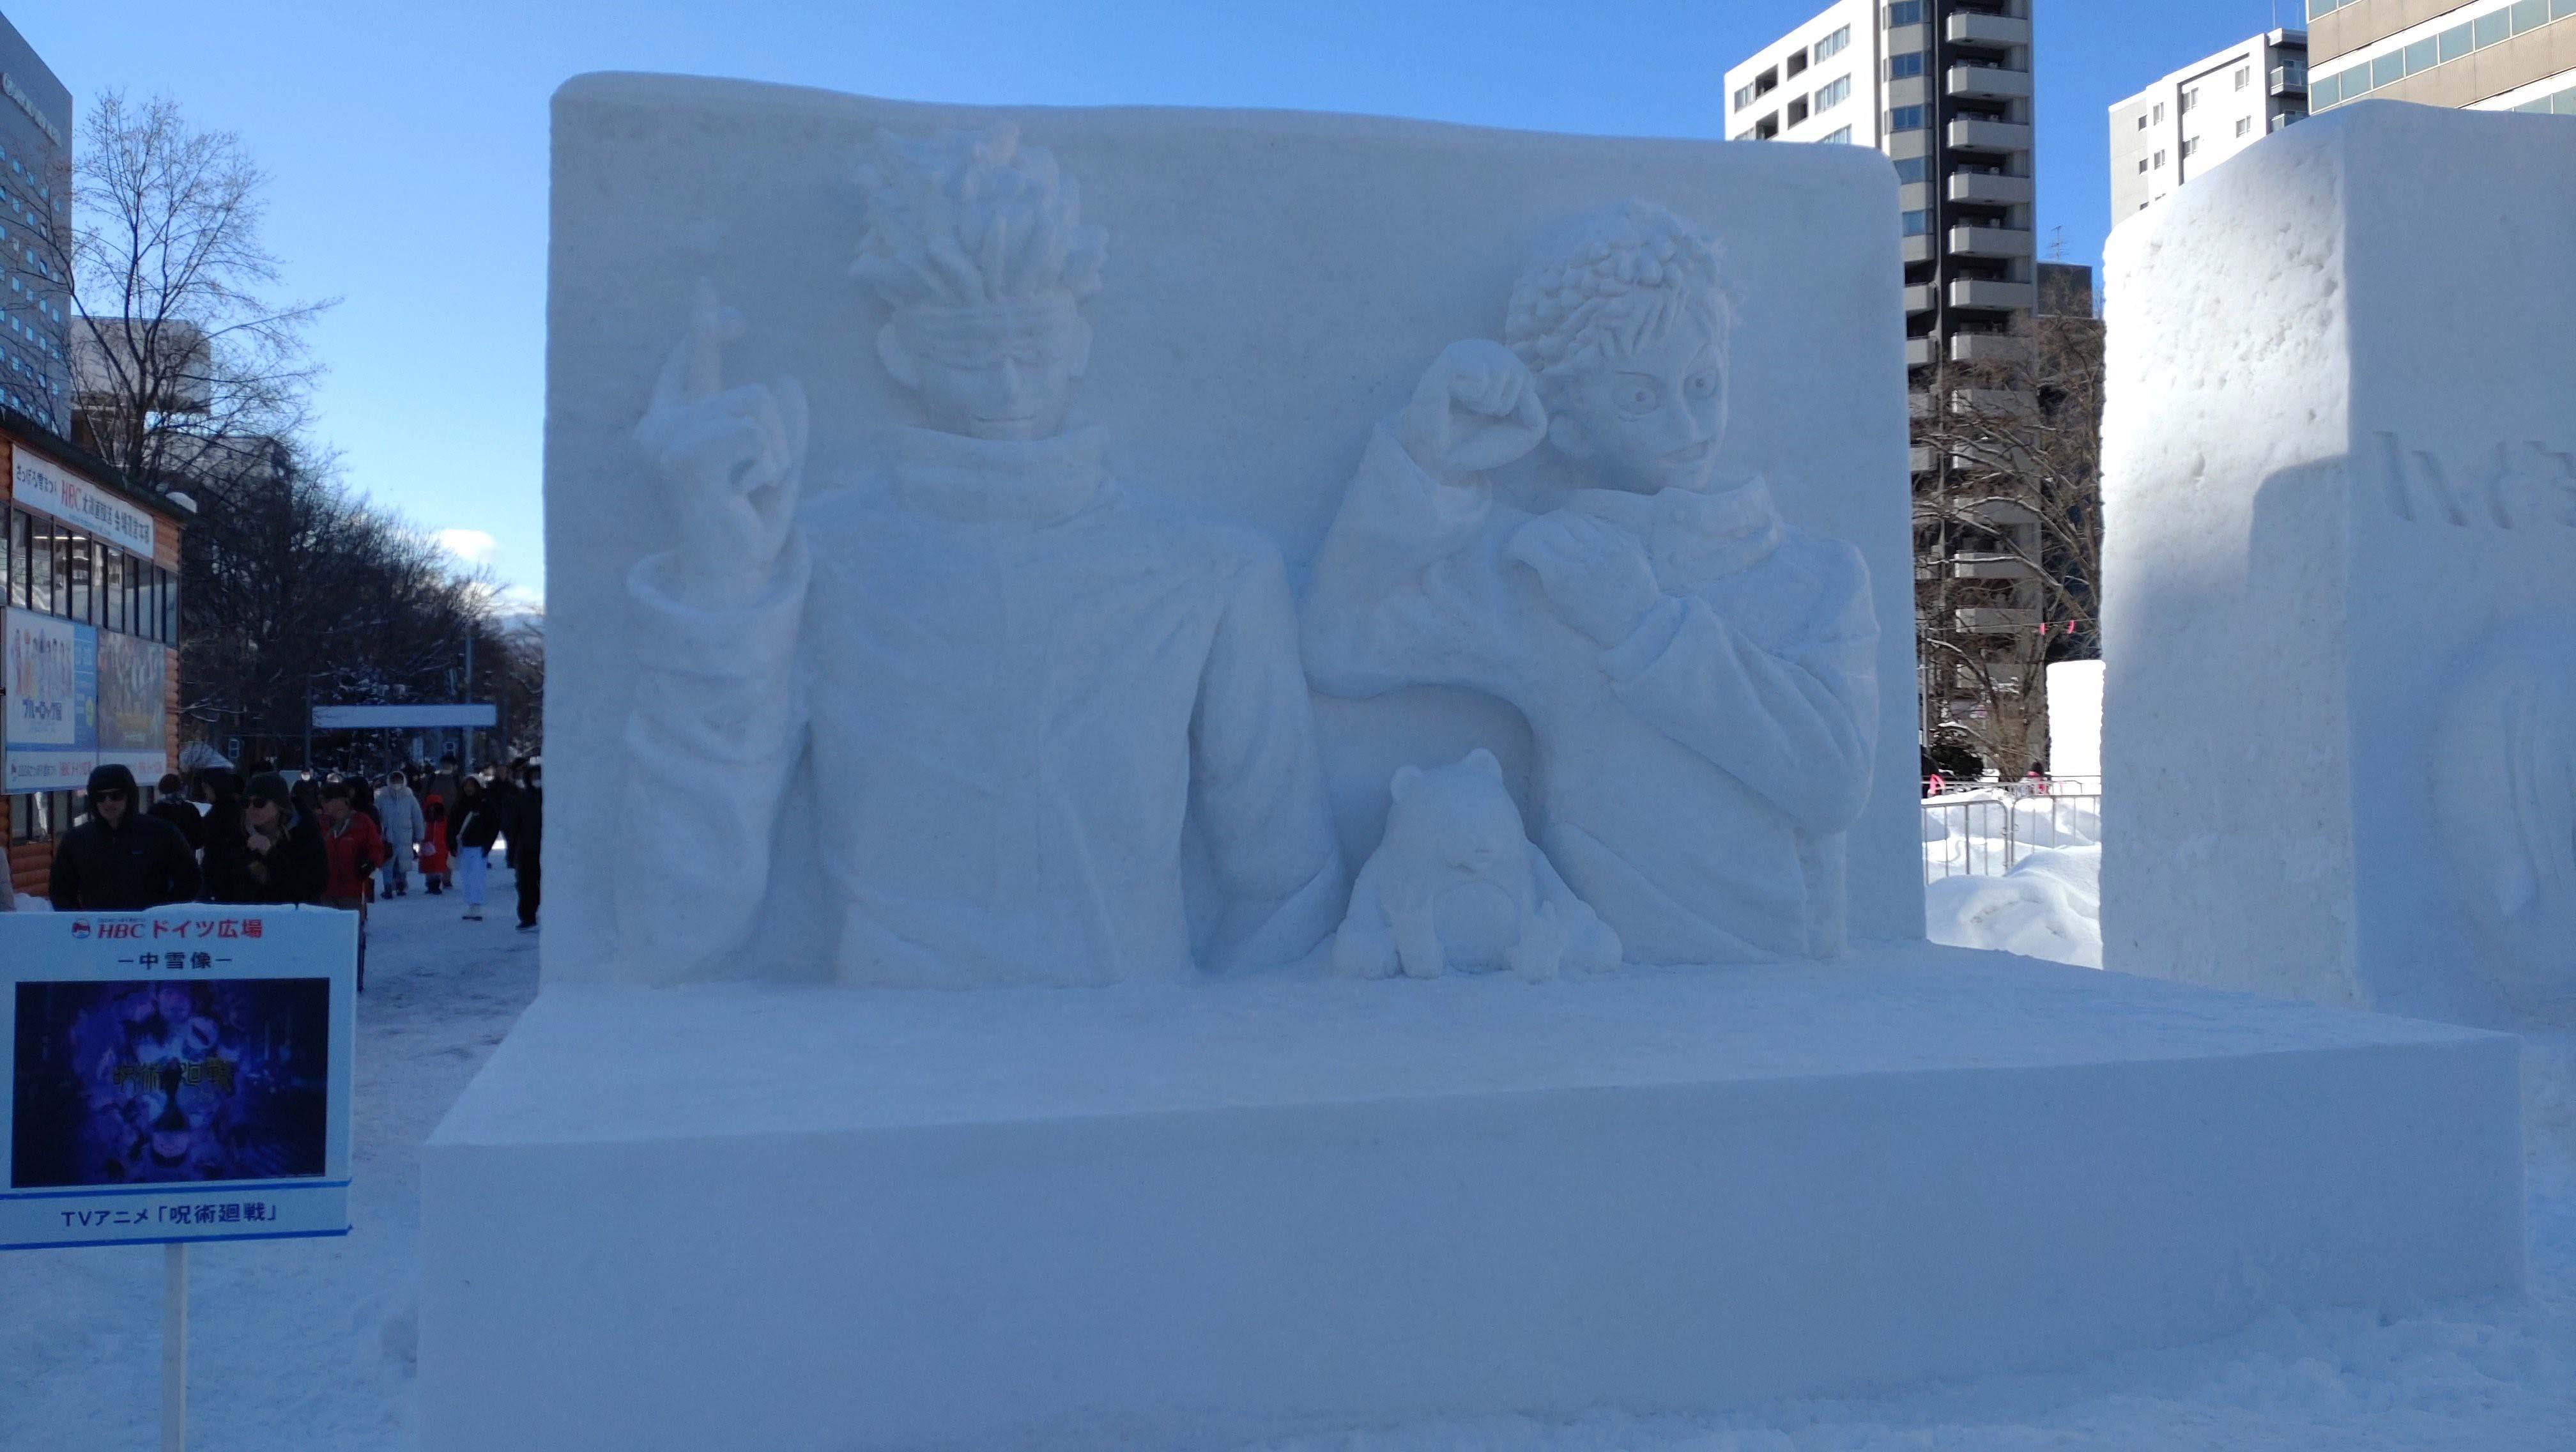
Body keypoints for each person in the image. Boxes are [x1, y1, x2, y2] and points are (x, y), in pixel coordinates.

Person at [618, 124, 1340, 985]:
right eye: (966, 350)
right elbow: (680, 922)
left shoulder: (1214, 570)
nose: (1005, 386)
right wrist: (717, 594)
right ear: (901, 351)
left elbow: (1287, 891)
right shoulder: (820, 559)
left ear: (1080, 340)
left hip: (1137, 1060)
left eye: (1031, 345)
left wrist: (1218, 1074)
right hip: (888, 1061)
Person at [1304, 200, 1878, 964]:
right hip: (1603, 996)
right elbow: (1343, 643)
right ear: (1571, 423)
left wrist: (1645, 626)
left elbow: (1831, 780)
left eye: (1703, 383)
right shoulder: (1549, 565)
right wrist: (1430, 463)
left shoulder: (1819, 577)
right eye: (1640, 396)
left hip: (1776, 1001)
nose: (1687, 422)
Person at [49, 763, 203, 911]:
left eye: (116, 796)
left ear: (129, 796)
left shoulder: (161, 834)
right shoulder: (77, 840)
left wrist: (163, 913)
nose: (108, 803)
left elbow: (190, 879)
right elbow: (60, 890)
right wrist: (81, 922)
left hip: (150, 931)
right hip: (98, 932)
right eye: (100, 797)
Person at [203, 771, 328, 905]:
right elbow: (213, 880)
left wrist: (271, 854)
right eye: (246, 803)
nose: (251, 808)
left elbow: (312, 886)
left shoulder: (305, 833)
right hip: (243, 919)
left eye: (259, 803)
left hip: (291, 918)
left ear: (279, 806)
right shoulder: (233, 834)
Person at [317, 782, 388, 990]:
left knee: (351, 936)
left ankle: (352, 978)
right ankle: (328, 976)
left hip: (353, 889)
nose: (324, 805)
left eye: (328, 800)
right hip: (325, 890)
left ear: (343, 801)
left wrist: (370, 863)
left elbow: (377, 848)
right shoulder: (319, 824)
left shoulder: (361, 822)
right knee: (327, 936)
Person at [504, 758, 543, 932]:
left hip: (547, 851)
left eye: (539, 776)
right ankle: (528, 917)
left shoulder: (551, 799)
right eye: (534, 776)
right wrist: (512, 852)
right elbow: (514, 827)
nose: (537, 780)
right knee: (526, 886)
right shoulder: (522, 799)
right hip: (527, 849)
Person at [374, 771, 425, 897]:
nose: (397, 783)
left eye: (399, 781)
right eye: (394, 781)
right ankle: (388, 887)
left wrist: (419, 835)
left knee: (403, 861)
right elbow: (376, 815)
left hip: (405, 836)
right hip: (388, 836)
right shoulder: (382, 797)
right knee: (388, 862)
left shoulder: (410, 798)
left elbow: (417, 817)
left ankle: (401, 884)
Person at [147, 773, 207, 858]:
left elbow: (149, 839)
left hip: (161, 862)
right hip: (187, 860)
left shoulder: (155, 810)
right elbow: (199, 839)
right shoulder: (190, 809)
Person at [418, 792, 452, 895]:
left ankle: (436, 885)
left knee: (438, 869)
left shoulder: (444, 821)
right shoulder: (425, 822)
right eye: (431, 807)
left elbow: (449, 833)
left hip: (440, 849)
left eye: (435, 807)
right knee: (429, 869)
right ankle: (430, 885)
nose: (433, 809)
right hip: (427, 849)